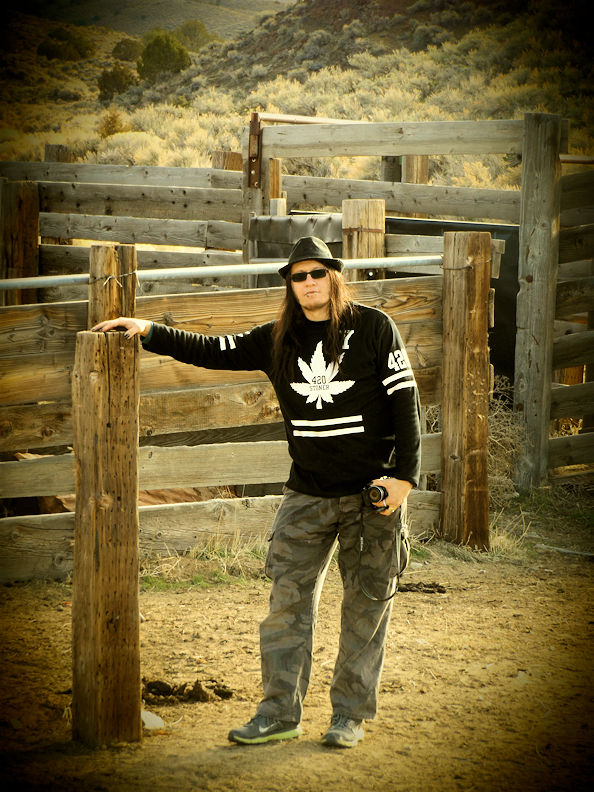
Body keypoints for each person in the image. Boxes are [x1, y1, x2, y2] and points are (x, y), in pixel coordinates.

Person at [93, 236, 421, 749]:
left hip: (371, 495)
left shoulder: (375, 327)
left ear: (334, 275)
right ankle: (278, 713)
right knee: (286, 605)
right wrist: (149, 330)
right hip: (307, 495)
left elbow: (406, 402)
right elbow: (211, 349)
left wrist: (405, 479)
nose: (309, 283)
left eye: (317, 273)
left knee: (366, 607)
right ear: (289, 285)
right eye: (298, 276)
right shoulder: (276, 338)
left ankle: (349, 716)